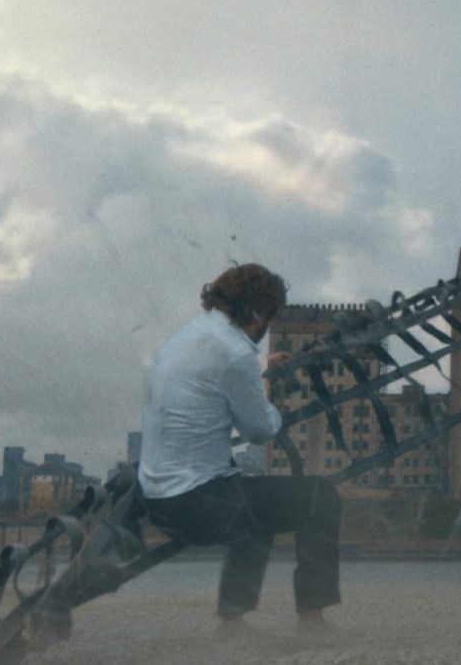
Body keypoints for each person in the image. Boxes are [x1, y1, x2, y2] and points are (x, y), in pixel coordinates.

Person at [138, 262, 340, 630]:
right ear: (258, 313)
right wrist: (262, 385)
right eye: (270, 316)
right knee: (320, 496)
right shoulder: (236, 351)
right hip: (195, 505)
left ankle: (233, 619)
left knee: (255, 504)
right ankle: (313, 617)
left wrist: (257, 365)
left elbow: (216, 369)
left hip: (157, 498)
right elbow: (260, 430)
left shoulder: (192, 334)